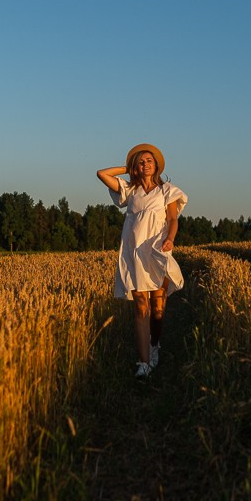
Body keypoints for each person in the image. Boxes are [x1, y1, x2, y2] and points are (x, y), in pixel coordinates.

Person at [97, 144, 188, 378]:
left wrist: (170, 238)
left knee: (157, 309)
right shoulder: (129, 190)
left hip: (157, 251)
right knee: (140, 307)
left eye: (149, 161)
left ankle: (154, 344)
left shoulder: (167, 190)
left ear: (156, 165)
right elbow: (102, 174)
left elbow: (172, 218)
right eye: (141, 162)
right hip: (134, 252)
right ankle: (144, 363)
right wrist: (127, 169)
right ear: (135, 167)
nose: (145, 164)